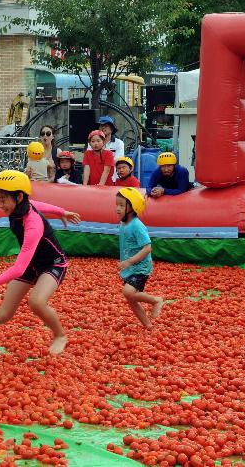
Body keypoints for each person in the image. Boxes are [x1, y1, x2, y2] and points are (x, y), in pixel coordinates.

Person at [0, 170, 81, 355]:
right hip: (32, 264)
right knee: (4, 313)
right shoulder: (19, 206)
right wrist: (62, 212)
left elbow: (18, 268)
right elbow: (38, 204)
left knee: (36, 302)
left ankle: (60, 335)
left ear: (19, 197)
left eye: (3, 199)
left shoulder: (33, 225)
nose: (0, 204)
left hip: (52, 264)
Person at [116, 187, 164, 328]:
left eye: (121, 205)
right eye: (116, 205)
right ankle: (147, 325)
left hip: (140, 267)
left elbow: (147, 247)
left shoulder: (137, 225)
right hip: (130, 267)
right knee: (130, 298)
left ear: (133, 207)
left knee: (128, 292)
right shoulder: (123, 223)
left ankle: (156, 300)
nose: (117, 208)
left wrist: (129, 261)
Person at [94, 115, 125, 180]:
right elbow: (90, 159)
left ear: (112, 129)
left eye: (106, 126)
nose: (103, 128)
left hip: (113, 178)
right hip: (95, 178)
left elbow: (118, 160)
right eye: (101, 126)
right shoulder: (92, 142)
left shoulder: (119, 143)